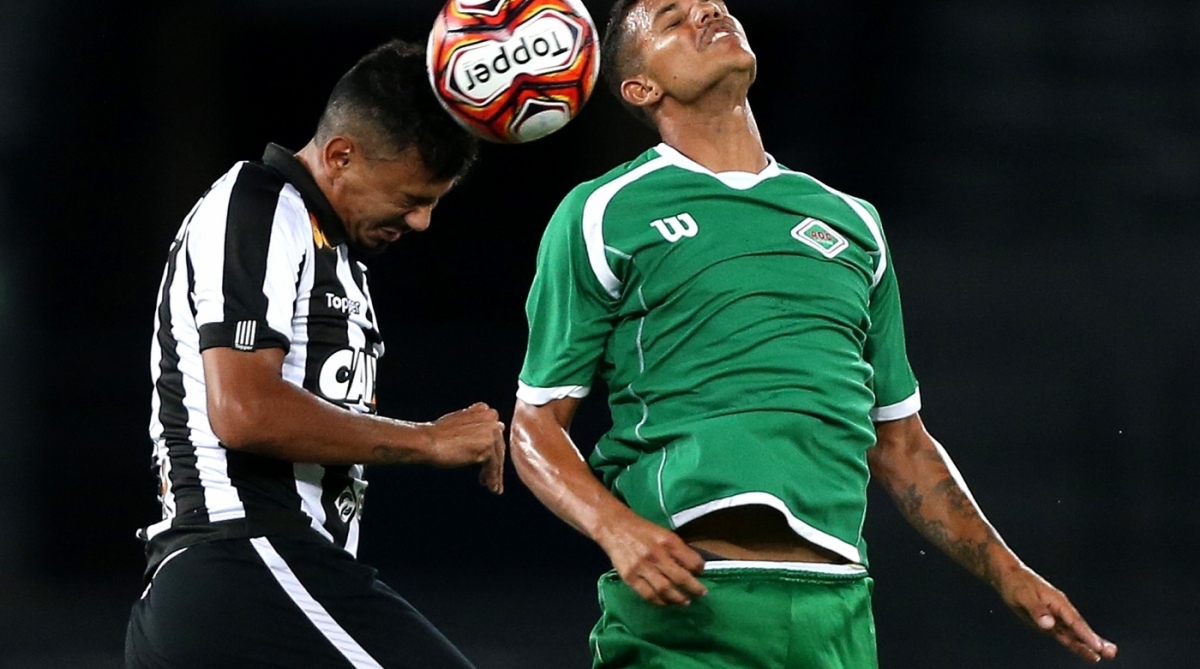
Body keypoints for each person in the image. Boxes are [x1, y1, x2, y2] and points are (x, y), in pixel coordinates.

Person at [509, 2, 1119, 667]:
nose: (707, 12)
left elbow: (903, 442)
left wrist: (1009, 571)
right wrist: (617, 529)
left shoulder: (853, 222)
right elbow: (536, 425)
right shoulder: (602, 212)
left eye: (711, 3)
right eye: (672, 18)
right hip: (688, 608)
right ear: (640, 88)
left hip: (837, 615)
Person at [125, 40, 506, 669]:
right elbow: (244, 410)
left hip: (256, 586)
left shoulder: (335, 251)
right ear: (341, 155)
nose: (422, 223)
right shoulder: (260, 203)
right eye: (410, 198)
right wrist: (428, 440)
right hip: (246, 566)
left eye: (434, 201)